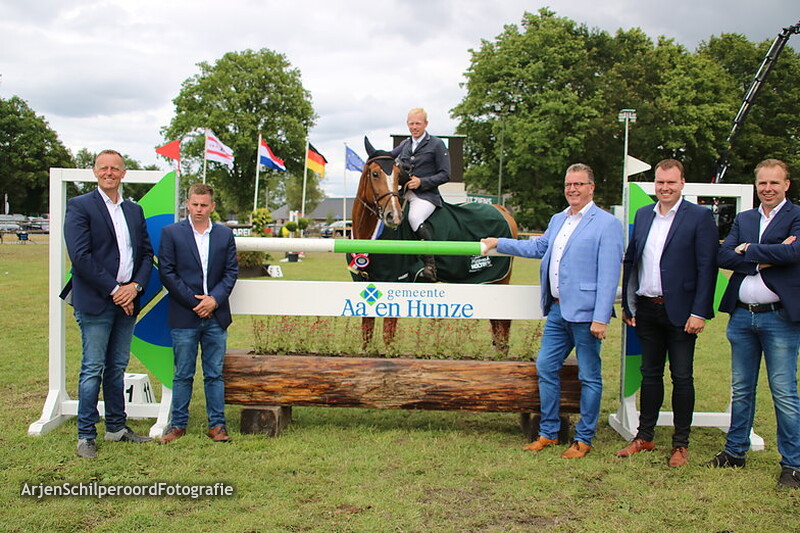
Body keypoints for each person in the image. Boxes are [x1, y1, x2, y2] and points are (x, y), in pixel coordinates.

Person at [481, 163, 624, 459]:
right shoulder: (559, 219)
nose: (572, 189)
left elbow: (610, 274)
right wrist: (500, 243)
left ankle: (584, 438)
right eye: (568, 184)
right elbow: (537, 248)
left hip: (586, 315)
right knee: (546, 367)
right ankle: (549, 433)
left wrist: (600, 318)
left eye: (579, 184)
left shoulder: (607, 224)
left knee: (590, 376)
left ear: (591, 187)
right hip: (557, 312)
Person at [705, 158, 800, 489]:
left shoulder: (797, 216)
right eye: (763, 183)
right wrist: (767, 253)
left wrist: (750, 250)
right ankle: (735, 451)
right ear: (756, 185)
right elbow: (723, 256)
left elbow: (794, 254)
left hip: (779, 319)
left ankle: (793, 465)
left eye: (775, 183)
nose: (768, 189)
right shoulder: (744, 218)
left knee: (784, 392)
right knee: (741, 389)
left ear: (786, 184)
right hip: (743, 314)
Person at [616, 159, 719, 467]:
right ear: (655, 184)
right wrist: (628, 304)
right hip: (646, 309)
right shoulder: (643, 214)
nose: (665, 188)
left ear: (682, 183)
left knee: (682, 377)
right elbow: (631, 261)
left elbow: (707, 268)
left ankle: (680, 444)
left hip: (682, 313)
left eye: (671, 182)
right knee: (650, 375)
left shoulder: (699, 217)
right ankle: (644, 436)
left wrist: (699, 311)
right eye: (660, 182)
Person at [62, 149, 154, 458]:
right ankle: (86, 434)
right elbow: (81, 257)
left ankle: (116, 427)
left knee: (116, 368)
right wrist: (116, 289)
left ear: (123, 173)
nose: (109, 173)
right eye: (104, 168)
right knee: (92, 368)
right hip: (97, 300)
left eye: (115, 168)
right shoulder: (79, 206)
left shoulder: (133, 210)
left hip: (128, 300)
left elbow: (144, 254)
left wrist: (134, 287)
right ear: (95, 171)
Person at [158, 183, 238, 444]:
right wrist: (195, 302)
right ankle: (178, 424)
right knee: (183, 373)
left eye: (204, 205)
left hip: (216, 315)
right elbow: (167, 273)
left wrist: (214, 300)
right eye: (195, 204)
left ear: (212, 206)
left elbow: (230, 272)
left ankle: (217, 425)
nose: (199, 209)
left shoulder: (225, 235)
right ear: (187, 204)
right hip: (185, 314)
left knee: (214, 373)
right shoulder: (172, 233)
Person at [391, 107, 451, 281]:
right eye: (411, 123)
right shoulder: (405, 144)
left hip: (426, 195)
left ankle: (430, 265)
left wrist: (422, 182)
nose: (414, 127)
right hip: (405, 193)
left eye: (418, 123)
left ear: (426, 124)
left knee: (414, 218)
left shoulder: (437, 144)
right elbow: (393, 162)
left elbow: (445, 174)